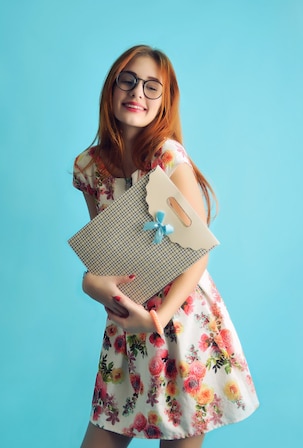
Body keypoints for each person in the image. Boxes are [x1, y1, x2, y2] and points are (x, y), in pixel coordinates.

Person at [72, 45, 259, 448]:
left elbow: (199, 248)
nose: (137, 92)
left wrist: (159, 319)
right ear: (111, 87)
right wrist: (92, 284)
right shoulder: (88, 167)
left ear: (164, 102)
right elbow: (105, 256)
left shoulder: (168, 155)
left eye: (151, 87)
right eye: (129, 80)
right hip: (128, 318)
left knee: (180, 436)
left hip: (182, 314)